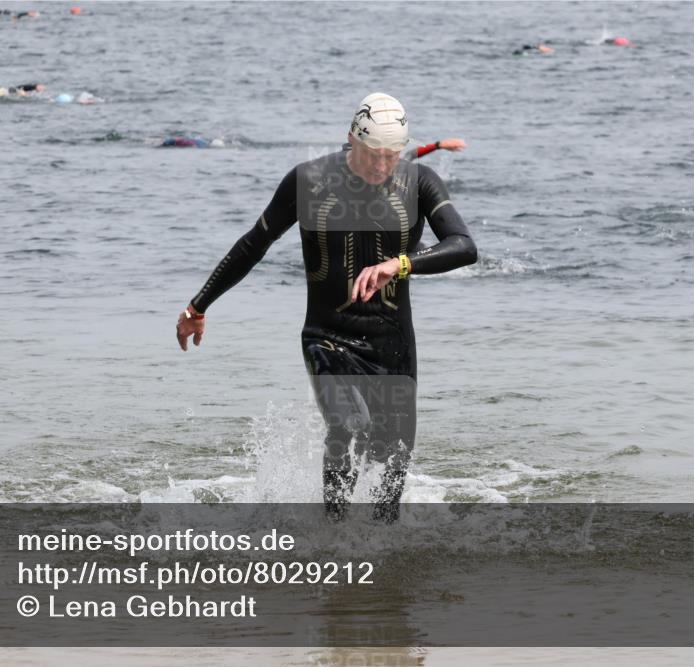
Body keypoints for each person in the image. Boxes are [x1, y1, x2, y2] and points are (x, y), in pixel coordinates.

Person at [176, 93, 477, 521]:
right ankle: (333, 536)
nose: (381, 165)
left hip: (393, 345)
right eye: (373, 155)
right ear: (351, 139)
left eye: (391, 156)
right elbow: (253, 244)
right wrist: (197, 306)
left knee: (393, 462)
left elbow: (464, 247)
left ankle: (383, 570)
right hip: (328, 337)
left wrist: (400, 264)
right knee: (348, 424)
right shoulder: (309, 182)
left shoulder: (419, 181)